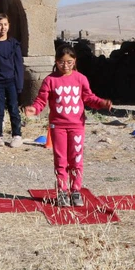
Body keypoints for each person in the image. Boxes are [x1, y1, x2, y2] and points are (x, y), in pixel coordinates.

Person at [25, 45, 112, 207]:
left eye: (69, 62)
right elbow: (41, 100)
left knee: (76, 159)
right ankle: (62, 191)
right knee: (61, 160)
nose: (65, 66)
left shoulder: (81, 79)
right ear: (56, 62)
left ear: (75, 61)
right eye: (61, 62)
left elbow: (89, 98)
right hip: (57, 127)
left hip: (77, 126)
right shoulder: (50, 80)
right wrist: (34, 109)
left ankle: (76, 190)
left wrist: (101, 103)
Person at [0, 13, 26, 147]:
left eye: (5, 24)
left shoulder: (14, 44)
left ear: (9, 26)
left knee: (14, 108)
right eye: (0, 24)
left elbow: (18, 65)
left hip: (12, 82)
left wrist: (19, 84)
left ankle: (17, 135)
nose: (3, 27)